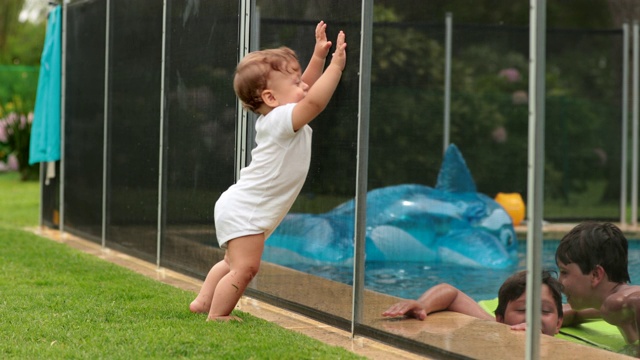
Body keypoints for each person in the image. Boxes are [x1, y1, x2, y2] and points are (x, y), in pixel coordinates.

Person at [189, 21, 347, 321]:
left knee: (231, 262)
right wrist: (335, 67)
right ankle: (218, 316)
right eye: (296, 82)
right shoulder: (282, 121)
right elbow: (313, 100)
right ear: (271, 98)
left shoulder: (278, 117)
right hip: (247, 210)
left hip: (241, 205)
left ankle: (203, 301)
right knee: (245, 268)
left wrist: (318, 57)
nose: (304, 85)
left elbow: (304, 90)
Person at [382, 270, 564, 336]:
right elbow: (451, 293)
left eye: (545, 311)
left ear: (558, 324)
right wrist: (423, 304)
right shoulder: (497, 327)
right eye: (523, 309)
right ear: (500, 319)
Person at [556, 221, 640, 353]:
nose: (559, 282)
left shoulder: (616, 302)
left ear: (595, 275)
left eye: (564, 272)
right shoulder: (612, 307)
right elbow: (576, 314)